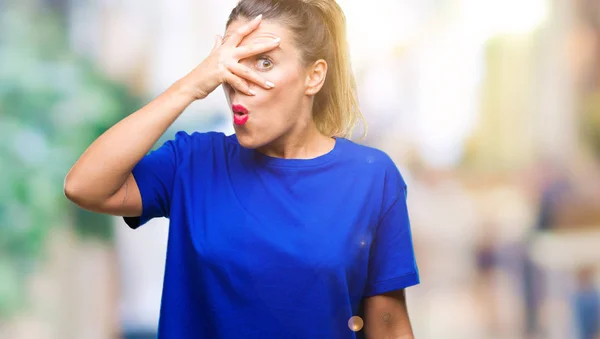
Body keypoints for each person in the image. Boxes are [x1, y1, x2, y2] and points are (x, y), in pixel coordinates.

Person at [64, 0, 420, 338]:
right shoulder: (193, 161)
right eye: (232, 61)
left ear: (314, 76)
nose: (237, 80)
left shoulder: (372, 178)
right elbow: (84, 186)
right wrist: (191, 86)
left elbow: (388, 326)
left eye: (264, 62)